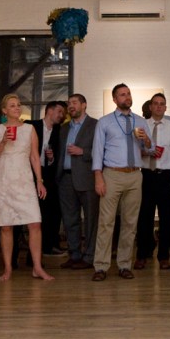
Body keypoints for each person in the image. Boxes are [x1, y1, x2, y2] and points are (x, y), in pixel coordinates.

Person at [0, 93, 53, 282]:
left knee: (35, 222)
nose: (17, 108)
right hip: (2, 180)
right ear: (4, 110)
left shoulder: (30, 129)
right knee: (6, 226)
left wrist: (39, 181)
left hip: (24, 179)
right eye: (12, 105)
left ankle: (37, 267)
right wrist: (3, 142)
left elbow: (34, 157)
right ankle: (7, 268)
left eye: (18, 104)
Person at [89, 83, 152, 281]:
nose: (127, 97)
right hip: (112, 175)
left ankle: (124, 265)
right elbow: (97, 151)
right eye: (122, 94)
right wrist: (98, 177)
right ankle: (101, 266)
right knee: (106, 222)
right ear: (115, 99)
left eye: (128, 93)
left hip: (135, 175)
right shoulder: (105, 122)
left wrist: (147, 141)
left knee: (130, 223)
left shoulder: (140, 121)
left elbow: (149, 150)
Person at [138, 93, 170, 270]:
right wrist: (146, 152)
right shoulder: (142, 126)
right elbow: (135, 150)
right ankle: (142, 255)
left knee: (167, 218)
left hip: (167, 176)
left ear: (165, 107)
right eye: (155, 103)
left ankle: (163, 256)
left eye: (162, 104)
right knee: (144, 217)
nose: (158, 106)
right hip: (146, 175)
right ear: (150, 107)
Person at [55, 93, 97, 270]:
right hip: (65, 179)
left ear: (84, 105)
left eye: (74, 102)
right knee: (70, 219)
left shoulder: (95, 125)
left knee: (90, 220)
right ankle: (74, 255)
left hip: (87, 178)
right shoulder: (64, 128)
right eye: (69, 103)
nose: (70, 106)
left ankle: (89, 257)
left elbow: (103, 151)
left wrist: (83, 152)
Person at [29, 100, 66, 257]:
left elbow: (59, 157)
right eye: (59, 112)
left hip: (49, 175)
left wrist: (51, 158)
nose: (62, 115)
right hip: (30, 174)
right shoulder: (31, 126)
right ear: (49, 111)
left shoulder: (60, 131)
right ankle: (34, 249)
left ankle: (49, 246)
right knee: (35, 212)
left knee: (53, 211)